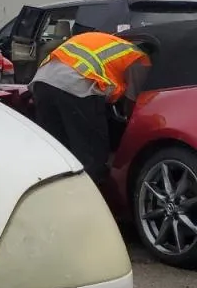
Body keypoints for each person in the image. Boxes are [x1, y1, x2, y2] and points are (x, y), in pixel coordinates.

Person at [29, 30, 151, 186]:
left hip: (42, 82)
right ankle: (92, 195)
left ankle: (56, 192)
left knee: (57, 149)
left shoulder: (104, 41)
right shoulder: (139, 58)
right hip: (76, 86)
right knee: (91, 154)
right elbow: (132, 103)